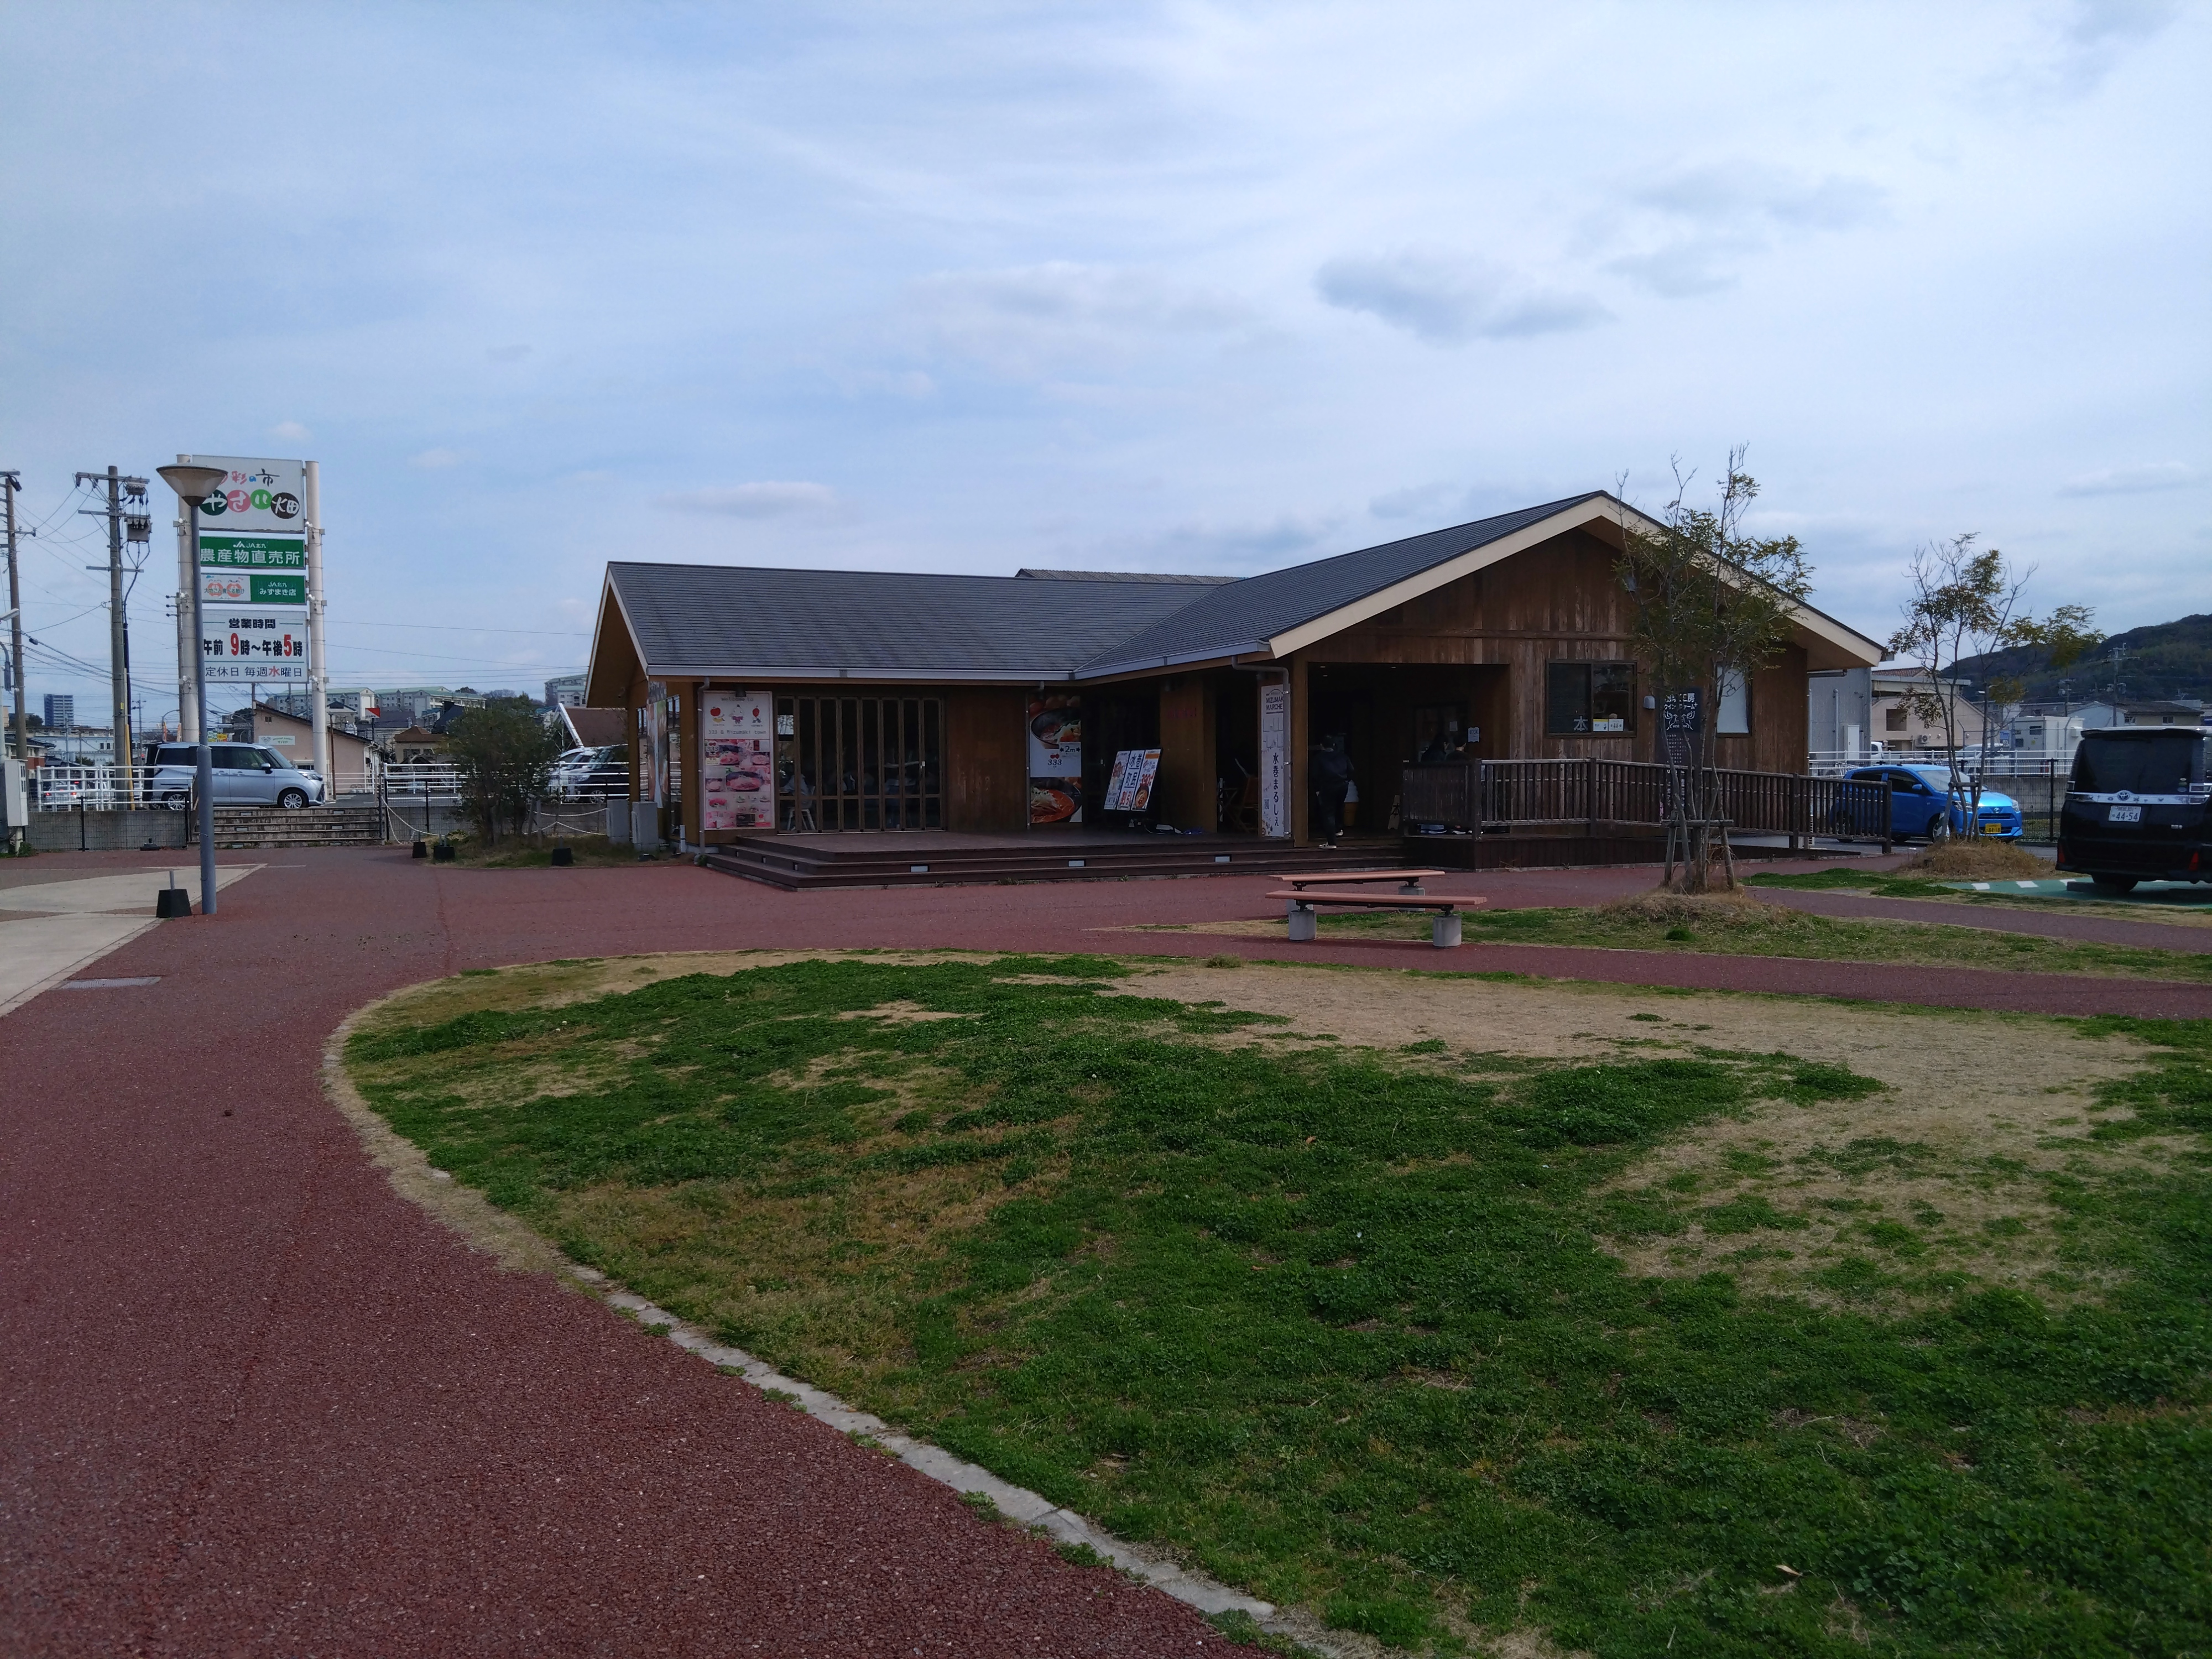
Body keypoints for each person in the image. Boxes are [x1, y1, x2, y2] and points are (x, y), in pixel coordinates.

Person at [1310, 733, 1353, 846]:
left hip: (1327, 786)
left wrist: (1317, 789)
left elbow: (1314, 775)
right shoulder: (1343, 756)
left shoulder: (1319, 758)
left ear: (1321, 746)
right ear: (1334, 745)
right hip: (1342, 785)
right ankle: (1339, 829)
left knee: (1328, 813)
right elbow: (1351, 771)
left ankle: (1331, 842)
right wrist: (1346, 781)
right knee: (1339, 806)